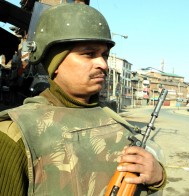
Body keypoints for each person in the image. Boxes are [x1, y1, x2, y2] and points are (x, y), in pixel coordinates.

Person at [0, 3, 166, 195]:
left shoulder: (115, 121)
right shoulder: (14, 134)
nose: (103, 64)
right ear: (55, 62)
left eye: (104, 55)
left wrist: (158, 177)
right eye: (89, 54)